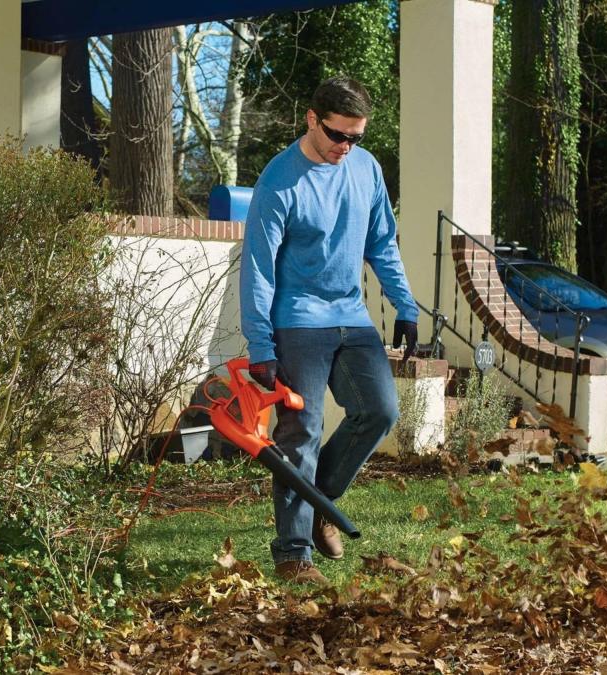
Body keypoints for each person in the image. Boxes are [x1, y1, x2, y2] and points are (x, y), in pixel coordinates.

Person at [239, 76, 419, 585]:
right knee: (301, 434)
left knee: (380, 410)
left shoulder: (365, 169)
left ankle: (321, 507)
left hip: (352, 315)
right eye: (338, 135)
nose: (346, 147)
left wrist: (404, 305)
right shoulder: (280, 180)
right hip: (298, 321)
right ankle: (293, 555)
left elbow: (382, 241)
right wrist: (261, 344)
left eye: (356, 137)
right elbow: (258, 268)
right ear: (312, 119)